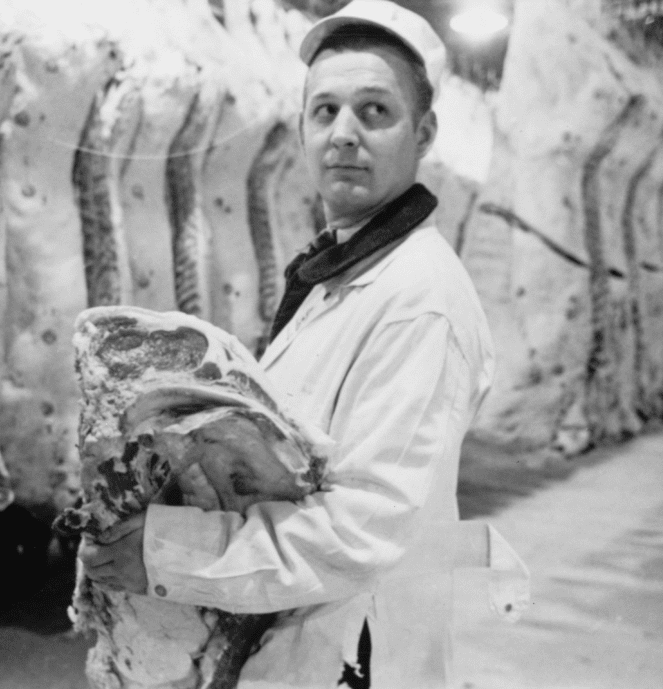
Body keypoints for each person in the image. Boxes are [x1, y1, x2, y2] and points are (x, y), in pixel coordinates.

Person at [78, 2, 495, 686]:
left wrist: (166, 554)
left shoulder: (420, 299)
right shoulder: (341, 272)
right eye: (324, 111)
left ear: (423, 133)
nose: (344, 135)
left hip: (350, 655)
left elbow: (361, 528)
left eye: (375, 111)